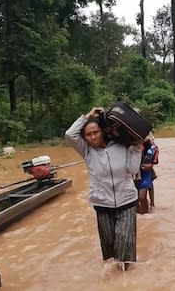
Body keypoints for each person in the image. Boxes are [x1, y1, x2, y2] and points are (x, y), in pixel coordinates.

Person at [65, 107, 141, 271]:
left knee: (125, 241)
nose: (93, 137)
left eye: (96, 132)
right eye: (88, 134)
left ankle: (124, 277)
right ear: (84, 138)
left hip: (127, 199)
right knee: (111, 244)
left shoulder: (121, 145)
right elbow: (70, 134)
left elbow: (133, 170)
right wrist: (87, 117)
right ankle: (117, 272)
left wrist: (136, 148)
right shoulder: (87, 151)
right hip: (102, 202)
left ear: (103, 131)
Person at [136, 135, 158, 214]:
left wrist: (151, 164)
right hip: (132, 174)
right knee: (135, 200)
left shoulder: (150, 145)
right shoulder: (129, 144)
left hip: (145, 172)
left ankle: (147, 211)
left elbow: (154, 158)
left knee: (141, 197)